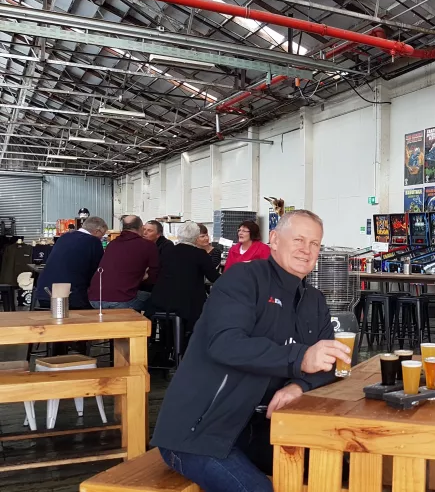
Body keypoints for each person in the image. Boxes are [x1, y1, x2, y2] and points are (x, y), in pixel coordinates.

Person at [151, 210, 351, 492]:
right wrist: (300, 358)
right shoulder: (243, 279)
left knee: (347, 467)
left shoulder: (314, 300)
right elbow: (225, 343)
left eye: (315, 243)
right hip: (200, 432)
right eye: (299, 240)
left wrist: (299, 385)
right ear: (274, 239)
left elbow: (329, 362)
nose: (307, 250)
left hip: (263, 430)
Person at [146, 222, 220, 335]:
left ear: (179, 235)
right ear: (196, 238)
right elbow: (214, 278)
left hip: (161, 300)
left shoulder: (167, 251)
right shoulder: (200, 254)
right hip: (188, 304)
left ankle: (165, 344)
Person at [87, 215, 159, 310]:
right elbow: (154, 275)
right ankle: (148, 324)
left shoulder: (112, 244)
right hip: (123, 299)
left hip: (95, 298)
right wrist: (142, 277)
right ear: (140, 228)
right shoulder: (148, 245)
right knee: (156, 300)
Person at [36, 216, 107, 311]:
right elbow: (98, 271)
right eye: (102, 235)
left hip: (45, 293)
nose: (101, 238)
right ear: (97, 231)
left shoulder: (64, 237)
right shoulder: (93, 242)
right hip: (70, 297)